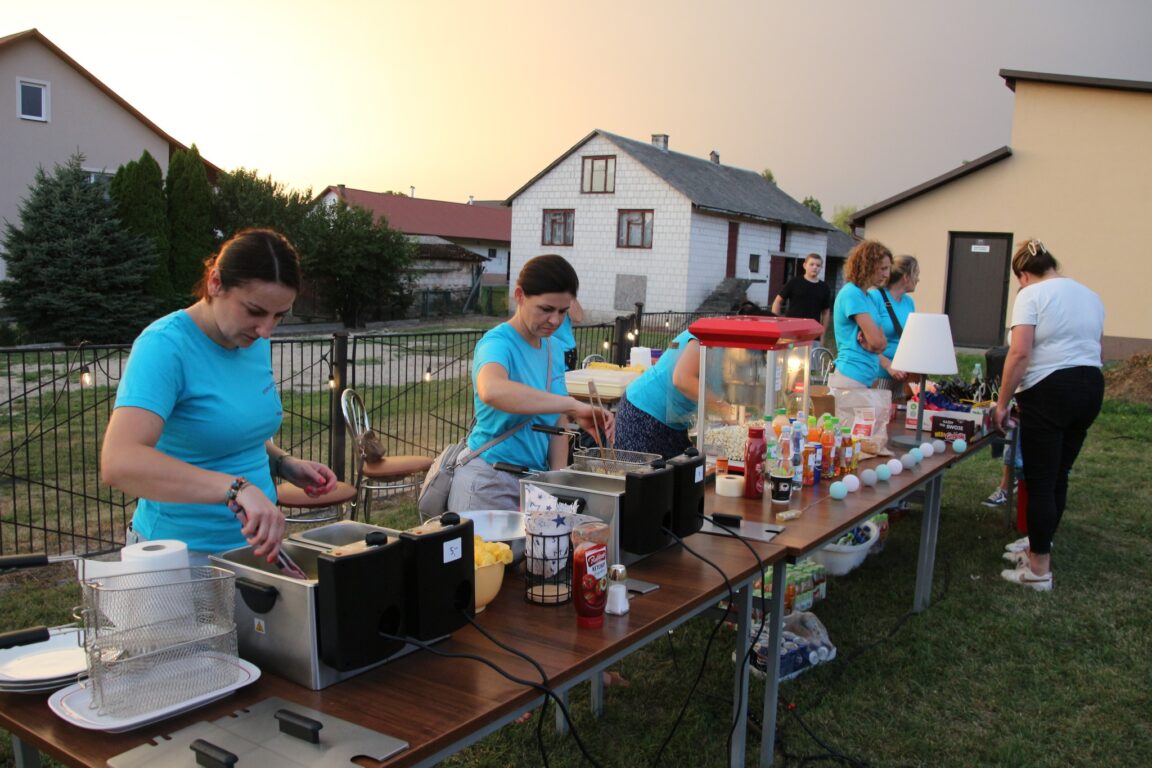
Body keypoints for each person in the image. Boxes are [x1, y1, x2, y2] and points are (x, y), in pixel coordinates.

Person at [101, 229, 338, 564]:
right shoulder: (164, 347)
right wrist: (237, 489)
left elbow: (233, 433)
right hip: (178, 555)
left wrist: (284, 464)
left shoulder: (252, 341)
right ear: (215, 283)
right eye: (255, 311)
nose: (266, 330)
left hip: (251, 551)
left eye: (279, 316)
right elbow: (119, 462)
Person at [448, 255, 614, 512]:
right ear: (519, 296)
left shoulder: (553, 348)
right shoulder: (498, 343)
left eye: (563, 311)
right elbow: (492, 390)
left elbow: (557, 419)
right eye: (546, 309)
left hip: (535, 484)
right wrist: (572, 405)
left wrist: (557, 481)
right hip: (489, 482)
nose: (556, 321)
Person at [992, 239, 1104, 591]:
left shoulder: (1031, 295)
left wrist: (1002, 402)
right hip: (1090, 386)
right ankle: (1040, 543)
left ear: (1024, 275)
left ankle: (1039, 568)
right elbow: (1094, 346)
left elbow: (1020, 353)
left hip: (1050, 390)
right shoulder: (1089, 295)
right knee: (1059, 475)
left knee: (1040, 479)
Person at [613, 330, 729, 459]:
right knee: (644, 475)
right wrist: (724, 409)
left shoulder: (725, 349)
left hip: (674, 424)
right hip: (643, 415)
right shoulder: (705, 335)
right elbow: (682, 379)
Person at [829, 241, 892, 389]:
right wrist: (875, 344)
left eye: (888, 269)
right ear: (867, 266)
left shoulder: (869, 297)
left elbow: (881, 343)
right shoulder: (852, 293)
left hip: (864, 377)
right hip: (850, 376)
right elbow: (878, 342)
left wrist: (875, 344)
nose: (887, 274)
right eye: (883, 268)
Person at [870, 254, 919, 398]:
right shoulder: (876, 297)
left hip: (902, 376)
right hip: (880, 374)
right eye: (916, 274)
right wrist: (888, 365)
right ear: (906, 277)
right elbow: (864, 338)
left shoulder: (909, 302)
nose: (918, 279)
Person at [771, 253, 832, 328]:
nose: (815, 267)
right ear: (805, 265)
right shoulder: (794, 282)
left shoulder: (824, 287)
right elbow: (777, 302)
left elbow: (825, 312)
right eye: (811, 264)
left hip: (812, 332)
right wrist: (777, 324)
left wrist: (822, 333)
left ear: (821, 267)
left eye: (818, 265)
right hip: (791, 330)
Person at [552, 296, 584, 371]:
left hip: (564, 350)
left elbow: (578, 317)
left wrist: (569, 292)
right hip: (541, 350)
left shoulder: (564, 292)